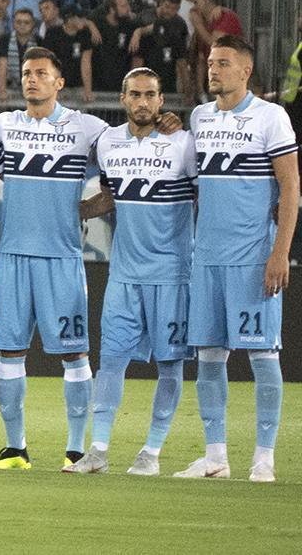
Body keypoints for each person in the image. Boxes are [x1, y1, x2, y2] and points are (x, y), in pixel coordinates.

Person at [177, 33, 295, 481]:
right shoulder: (200, 117)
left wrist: (279, 252)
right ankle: (215, 457)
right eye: (211, 62)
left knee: (263, 355)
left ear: (245, 70)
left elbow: (290, 188)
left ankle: (263, 457)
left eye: (223, 63)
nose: (213, 69)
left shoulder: (272, 117)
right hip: (206, 258)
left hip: (252, 258)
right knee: (209, 356)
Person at [0, 47, 105, 469]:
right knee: (9, 352)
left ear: (59, 82)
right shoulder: (2, 126)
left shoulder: (86, 128)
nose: (31, 79)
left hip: (62, 257)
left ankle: (75, 448)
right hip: (14, 255)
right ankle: (15, 447)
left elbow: (129, 153)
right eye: (25, 73)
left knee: (74, 354)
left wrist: (87, 208)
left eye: (40, 73)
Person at [85, 66, 194, 474]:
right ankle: (97, 451)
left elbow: (207, 197)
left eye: (151, 95)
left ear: (162, 101)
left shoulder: (184, 145)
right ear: (123, 100)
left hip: (171, 276)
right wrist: (76, 211)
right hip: (124, 275)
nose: (143, 102)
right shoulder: (109, 144)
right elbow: (108, 198)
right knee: (111, 360)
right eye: (135, 94)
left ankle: (152, 451)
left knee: (170, 364)